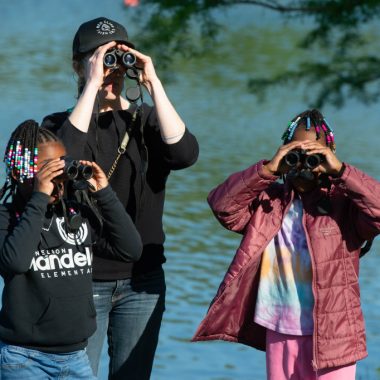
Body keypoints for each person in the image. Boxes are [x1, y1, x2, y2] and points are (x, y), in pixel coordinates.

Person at [41, 17, 199, 379]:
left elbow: (184, 154)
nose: (111, 69)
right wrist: (93, 84)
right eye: (99, 58)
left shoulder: (146, 121)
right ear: (77, 65)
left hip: (142, 282)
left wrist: (154, 82)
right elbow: (63, 159)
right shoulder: (55, 126)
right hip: (81, 277)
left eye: (117, 58)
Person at [192, 109, 380, 380]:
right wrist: (268, 169)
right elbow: (223, 206)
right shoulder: (270, 204)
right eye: (295, 154)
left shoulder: (344, 207)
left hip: (333, 332)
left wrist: (340, 171)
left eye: (313, 155)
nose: (303, 164)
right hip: (279, 326)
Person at [0, 120, 142, 379]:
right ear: (20, 172)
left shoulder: (76, 215)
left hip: (76, 357)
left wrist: (104, 193)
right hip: (24, 358)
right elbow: (16, 262)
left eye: (60, 166)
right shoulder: (7, 218)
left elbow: (130, 250)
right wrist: (39, 198)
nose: (57, 179)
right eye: (46, 170)